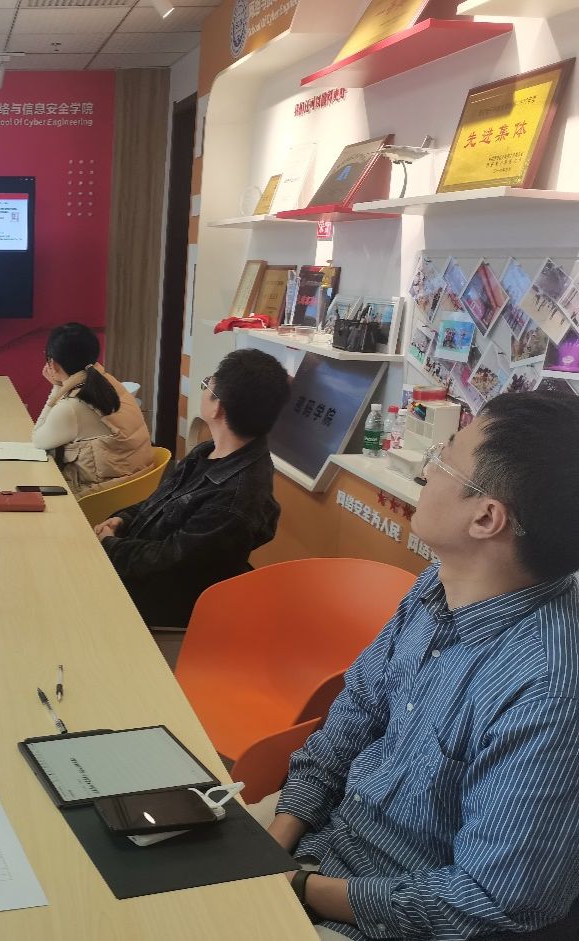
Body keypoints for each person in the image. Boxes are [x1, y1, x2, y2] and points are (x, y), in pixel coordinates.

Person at [260, 391, 579, 940]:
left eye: (443, 457)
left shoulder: (547, 690)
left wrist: (298, 888)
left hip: (390, 917)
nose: (426, 470)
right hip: (325, 840)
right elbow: (355, 714)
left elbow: (488, 899)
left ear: (486, 517)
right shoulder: (438, 585)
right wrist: (276, 840)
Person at [94, 348, 290, 628]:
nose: (204, 389)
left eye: (207, 384)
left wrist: (111, 546)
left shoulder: (233, 498)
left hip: (156, 603)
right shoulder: (210, 451)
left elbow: (169, 561)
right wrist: (123, 519)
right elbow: (160, 501)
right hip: (132, 565)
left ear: (218, 407)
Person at [31, 322, 153, 496]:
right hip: (133, 486)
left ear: (54, 364)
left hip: (99, 496)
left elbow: (38, 440)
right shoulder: (107, 382)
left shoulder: (71, 406)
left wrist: (57, 388)